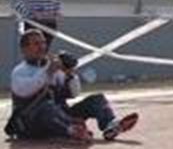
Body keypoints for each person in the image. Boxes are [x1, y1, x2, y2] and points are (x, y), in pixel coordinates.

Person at [5, 29, 138, 142]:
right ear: (24, 49)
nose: (42, 47)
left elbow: (74, 93)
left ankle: (111, 125)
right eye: (36, 44)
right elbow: (27, 90)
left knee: (97, 99)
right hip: (32, 123)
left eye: (43, 43)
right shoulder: (19, 72)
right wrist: (49, 71)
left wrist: (70, 74)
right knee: (47, 107)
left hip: (59, 117)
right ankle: (72, 130)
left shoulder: (52, 67)